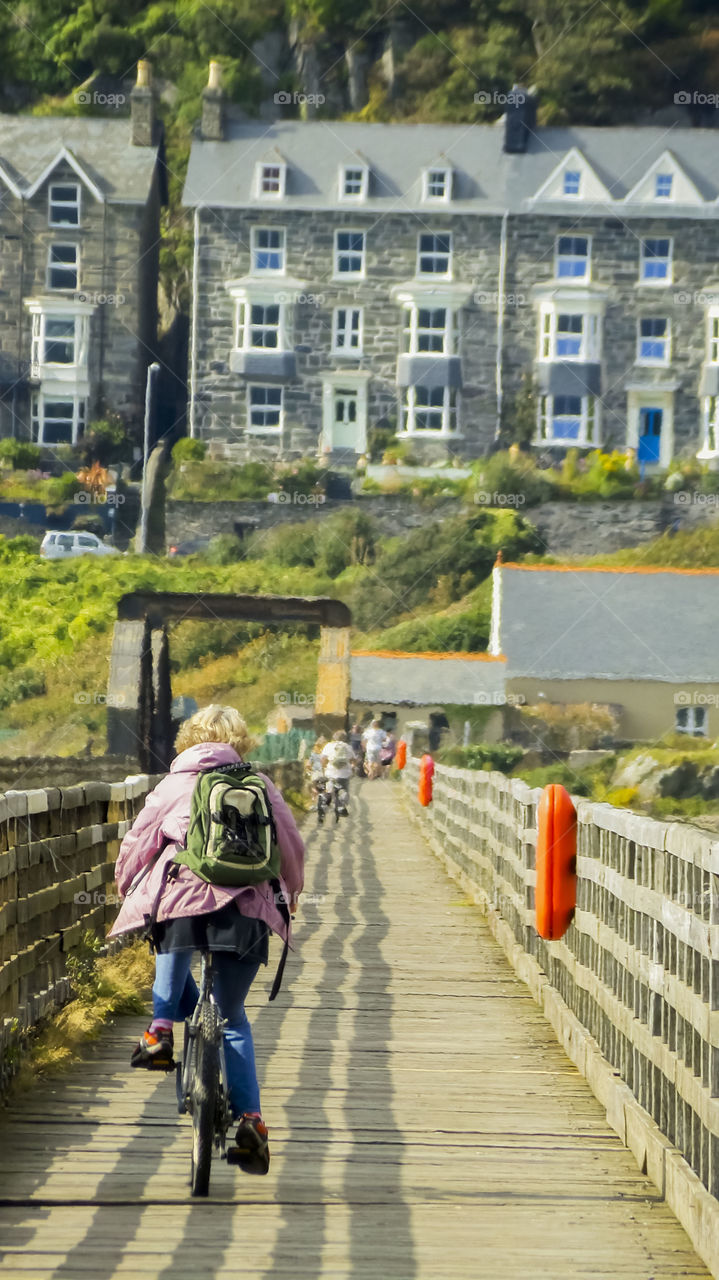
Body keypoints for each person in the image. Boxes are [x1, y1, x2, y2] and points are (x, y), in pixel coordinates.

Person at [109, 704, 304, 1176]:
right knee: (233, 1016)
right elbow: (291, 845)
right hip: (248, 908)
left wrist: (124, 885)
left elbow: (140, 841)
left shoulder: (174, 783)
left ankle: (160, 1029)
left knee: (170, 941)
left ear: (189, 740)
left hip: (182, 897)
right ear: (241, 741)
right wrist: (290, 896)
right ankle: (252, 1119)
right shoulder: (261, 786)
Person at [320, 730, 355, 813]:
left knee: (329, 789)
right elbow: (354, 760)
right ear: (345, 738)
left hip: (331, 772)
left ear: (334, 737)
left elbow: (323, 759)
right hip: (344, 774)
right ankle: (341, 807)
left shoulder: (328, 746)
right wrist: (352, 767)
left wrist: (324, 767)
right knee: (344, 790)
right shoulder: (347, 747)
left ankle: (324, 804)